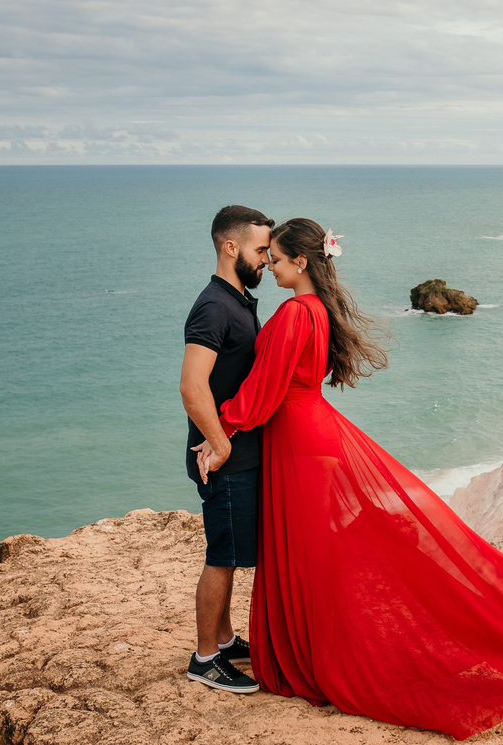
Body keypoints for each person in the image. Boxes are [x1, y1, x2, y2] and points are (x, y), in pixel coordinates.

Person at [196, 218, 503, 739]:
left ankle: (319, 655)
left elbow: (263, 391)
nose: (268, 265)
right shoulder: (319, 309)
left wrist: (220, 429)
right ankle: (318, 646)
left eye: (275, 258)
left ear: (301, 262)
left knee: (310, 556)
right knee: (319, 554)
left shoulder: (295, 312)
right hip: (316, 434)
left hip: (298, 442)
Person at [178, 205, 274, 693]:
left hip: (234, 452)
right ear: (230, 247)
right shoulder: (215, 306)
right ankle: (205, 657)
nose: (267, 260)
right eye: (260, 250)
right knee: (221, 555)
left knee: (233, 551)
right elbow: (192, 387)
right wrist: (220, 447)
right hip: (222, 457)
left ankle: (225, 636)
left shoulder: (238, 299)